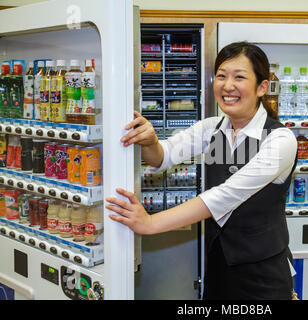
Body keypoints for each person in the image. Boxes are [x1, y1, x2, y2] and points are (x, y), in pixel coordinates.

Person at [106, 41, 298, 300]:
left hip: (263, 273)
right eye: (221, 76)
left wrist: (150, 223)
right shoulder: (212, 128)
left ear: (262, 87)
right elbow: (163, 157)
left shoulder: (281, 140)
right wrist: (150, 141)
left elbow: (226, 195)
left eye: (239, 77)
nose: (228, 86)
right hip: (218, 265)